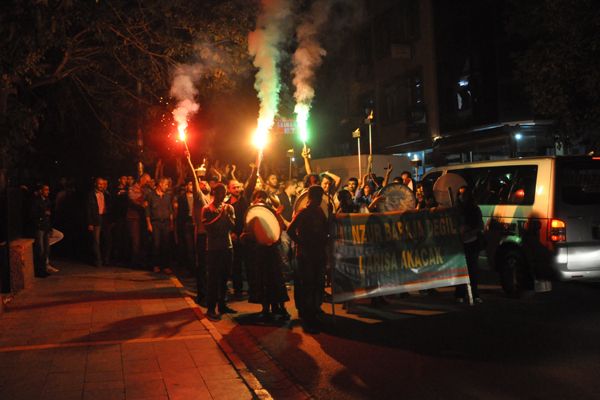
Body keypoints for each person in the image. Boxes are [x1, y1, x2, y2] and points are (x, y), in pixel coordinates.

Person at [242, 190, 290, 320]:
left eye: (263, 197)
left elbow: (281, 228)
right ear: (254, 199)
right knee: (263, 280)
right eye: (258, 197)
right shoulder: (252, 215)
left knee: (276, 280)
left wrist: (277, 215)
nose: (261, 199)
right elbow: (246, 233)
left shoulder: (271, 213)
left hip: (273, 250)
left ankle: (279, 307)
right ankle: (265, 308)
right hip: (260, 251)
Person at [287, 185, 329, 333]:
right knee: (307, 283)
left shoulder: (320, 211)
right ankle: (307, 312)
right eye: (318, 196)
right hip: (305, 254)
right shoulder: (303, 212)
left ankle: (315, 307)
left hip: (318, 252)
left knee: (318, 282)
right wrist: (302, 242)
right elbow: (290, 230)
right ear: (311, 197)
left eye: (321, 196)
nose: (320, 199)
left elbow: (326, 228)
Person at [201, 183, 237, 321]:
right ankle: (211, 308)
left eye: (224, 193)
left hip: (227, 247)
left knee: (225, 278)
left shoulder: (229, 208)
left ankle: (222, 304)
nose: (222, 196)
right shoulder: (207, 209)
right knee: (213, 279)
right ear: (214, 193)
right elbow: (208, 228)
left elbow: (233, 226)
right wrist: (219, 216)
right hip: (213, 248)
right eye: (219, 192)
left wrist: (226, 216)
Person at [227, 163, 258, 299]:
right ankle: (238, 289)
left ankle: (253, 289)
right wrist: (230, 233)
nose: (238, 189)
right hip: (234, 238)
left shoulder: (245, 199)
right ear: (229, 189)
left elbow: (252, 182)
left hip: (247, 237)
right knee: (236, 265)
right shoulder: (227, 204)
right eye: (235, 187)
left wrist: (256, 167)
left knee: (250, 263)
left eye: (239, 187)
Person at [454, 185, 484, 304]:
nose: (462, 197)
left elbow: (480, 226)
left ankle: (475, 294)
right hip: (460, 243)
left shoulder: (475, 209)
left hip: (472, 242)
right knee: (460, 270)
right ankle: (460, 294)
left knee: (472, 270)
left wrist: (471, 231)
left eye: (464, 194)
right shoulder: (455, 210)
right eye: (460, 194)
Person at [146, 177, 174, 274]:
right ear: (160, 184)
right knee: (156, 244)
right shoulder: (151, 195)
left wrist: (171, 223)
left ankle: (165, 266)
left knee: (166, 244)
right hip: (155, 223)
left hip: (165, 223)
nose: (167, 186)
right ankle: (156, 265)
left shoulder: (167, 196)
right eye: (166, 184)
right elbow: (147, 211)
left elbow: (170, 210)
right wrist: (148, 224)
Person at [127, 173, 151, 267]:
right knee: (135, 240)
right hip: (133, 218)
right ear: (142, 179)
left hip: (142, 218)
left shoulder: (146, 190)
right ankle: (134, 262)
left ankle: (141, 260)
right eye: (147, 181)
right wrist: (142, 203)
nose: (148, 182)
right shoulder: (132, 188)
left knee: (143, 240)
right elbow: (132, 200)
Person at [86, 177, 112, 267]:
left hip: (105, 218)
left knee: (107, 240)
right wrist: (90, 223)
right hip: (96, 218)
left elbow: (111, 206)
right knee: (96, 241)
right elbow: (89, 209)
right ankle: (98, 260)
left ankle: (106, 260)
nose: (101, 186)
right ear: (96, 184)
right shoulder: (91, 195)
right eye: (99, 184)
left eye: (102, 184)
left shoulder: (106, 194)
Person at [30, 184, 52, 277]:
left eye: (48, 190)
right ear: (41, 191)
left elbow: (50, 214)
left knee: (46, 249)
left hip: (46, 227)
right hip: (40, 228)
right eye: (45, 190)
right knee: (40, 250)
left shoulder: (47, 201)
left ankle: (44, 269)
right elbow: (33, 214)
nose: (47, 191)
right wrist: (42, 214)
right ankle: (39, 271)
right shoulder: (36, 201)